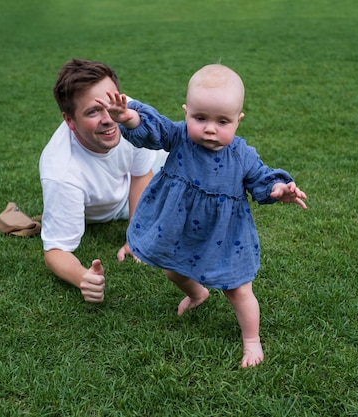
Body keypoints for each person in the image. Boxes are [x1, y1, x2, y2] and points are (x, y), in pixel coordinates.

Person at [96, 63, 308, 368]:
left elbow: (262, 177)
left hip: (225, 235)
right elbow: (153, 130)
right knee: (174, 270)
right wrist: (130, 117)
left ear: (238, 120)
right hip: (180, 227)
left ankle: (251, 339)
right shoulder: (179, 137)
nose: (210, 128)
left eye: (222, 121)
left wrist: (278, 189)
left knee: (237, 288)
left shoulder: (241, 155)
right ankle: (198, 295)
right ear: (186, 113)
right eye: (200, 118)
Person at [39, 58, 166, 303]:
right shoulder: (62, 172)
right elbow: (55, 250)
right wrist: (81, 277)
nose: (109, 118)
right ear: (69, 121)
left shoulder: (128, 115)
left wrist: (135, 234)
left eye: (110, 103)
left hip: (134, 181)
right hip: (105, 206)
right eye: (92, 112)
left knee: (192, 154)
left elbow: (141, 174)